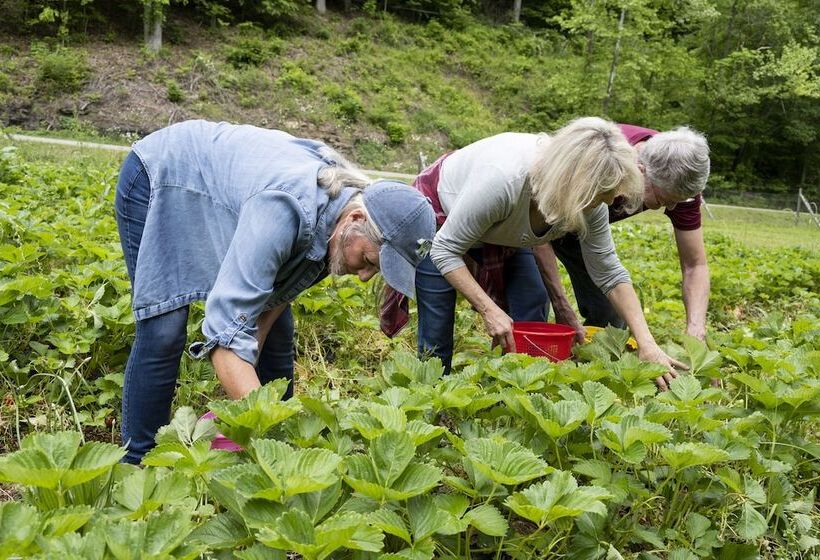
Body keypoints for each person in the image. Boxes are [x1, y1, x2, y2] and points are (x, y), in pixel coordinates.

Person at [115, 119, 436, 464]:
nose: (363, 277)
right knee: (164, 328)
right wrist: (277, 454)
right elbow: (225, 342)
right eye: (370, 260)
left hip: (225, 188)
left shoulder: (338, 229)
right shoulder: (284, 209)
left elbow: (270, 305)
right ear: (356, 217)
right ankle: (138, 461)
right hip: (161, 176)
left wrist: (244, 413)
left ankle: (270, 436)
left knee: (278, 333)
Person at [408, 117, 687, 386]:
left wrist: (647, 344)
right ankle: (433, 400)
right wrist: (489, 310)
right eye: (607, 192)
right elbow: (445, 250)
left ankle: (513, 395)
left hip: (505, 232)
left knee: (531, 307)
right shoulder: (503, 179)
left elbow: (610, 273)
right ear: (578, 185)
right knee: (437, 333)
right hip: (442, 221)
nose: (613, 200)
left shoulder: (595, 200)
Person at [547, 124, 711, 340]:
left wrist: (695, 328)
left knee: (612, 314)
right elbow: (536, 225)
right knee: (530, 303)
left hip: (585, 231)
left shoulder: (681, 181)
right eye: (664, 200)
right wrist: (560, 303)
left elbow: (695, 265)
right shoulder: (603, 159)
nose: (671, 209)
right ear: (642, 171)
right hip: (534, 219)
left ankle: (590, 365)